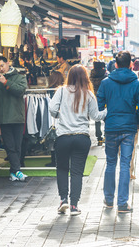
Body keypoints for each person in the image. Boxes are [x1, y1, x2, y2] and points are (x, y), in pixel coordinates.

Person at [49, 65, 107, 216]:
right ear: (85, 77)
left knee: (62, 169)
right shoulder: (88, 94)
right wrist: (109, 110)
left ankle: (63, 200)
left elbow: (52, 108)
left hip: (63, 137)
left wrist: (59, 116)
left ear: (69, 76)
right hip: (82, 137)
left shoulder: (61, 91)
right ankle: (74, 205)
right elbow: (96, 116)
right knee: (77, 172)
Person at [97, 51, 139, 213]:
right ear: (131, 65)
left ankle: (109, 199)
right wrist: (135, 119)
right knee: (125, 164)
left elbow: (99, 107)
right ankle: (122, 203)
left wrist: (108, 117)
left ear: (116, 65)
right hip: (129, 128)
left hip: (111, 127)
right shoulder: (137, 84)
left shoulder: (106, 83)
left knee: (111, 163)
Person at [0, 56, 28, 182]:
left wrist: (5, 82)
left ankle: (13, 171)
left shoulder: (20, 77)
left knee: (17, 146)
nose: (1, 69)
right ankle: (17, 171)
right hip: (3, 119)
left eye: (2, 66)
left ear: (8, 63)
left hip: (17, 117)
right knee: (9, 146)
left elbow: (20, 90)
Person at [90, 61, 108, 146]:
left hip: (94, 98)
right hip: (104, 98)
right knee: (105, 116)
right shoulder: (105, 76)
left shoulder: (91, 76)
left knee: (96, 117)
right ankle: (105, 135)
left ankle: (99, 137)